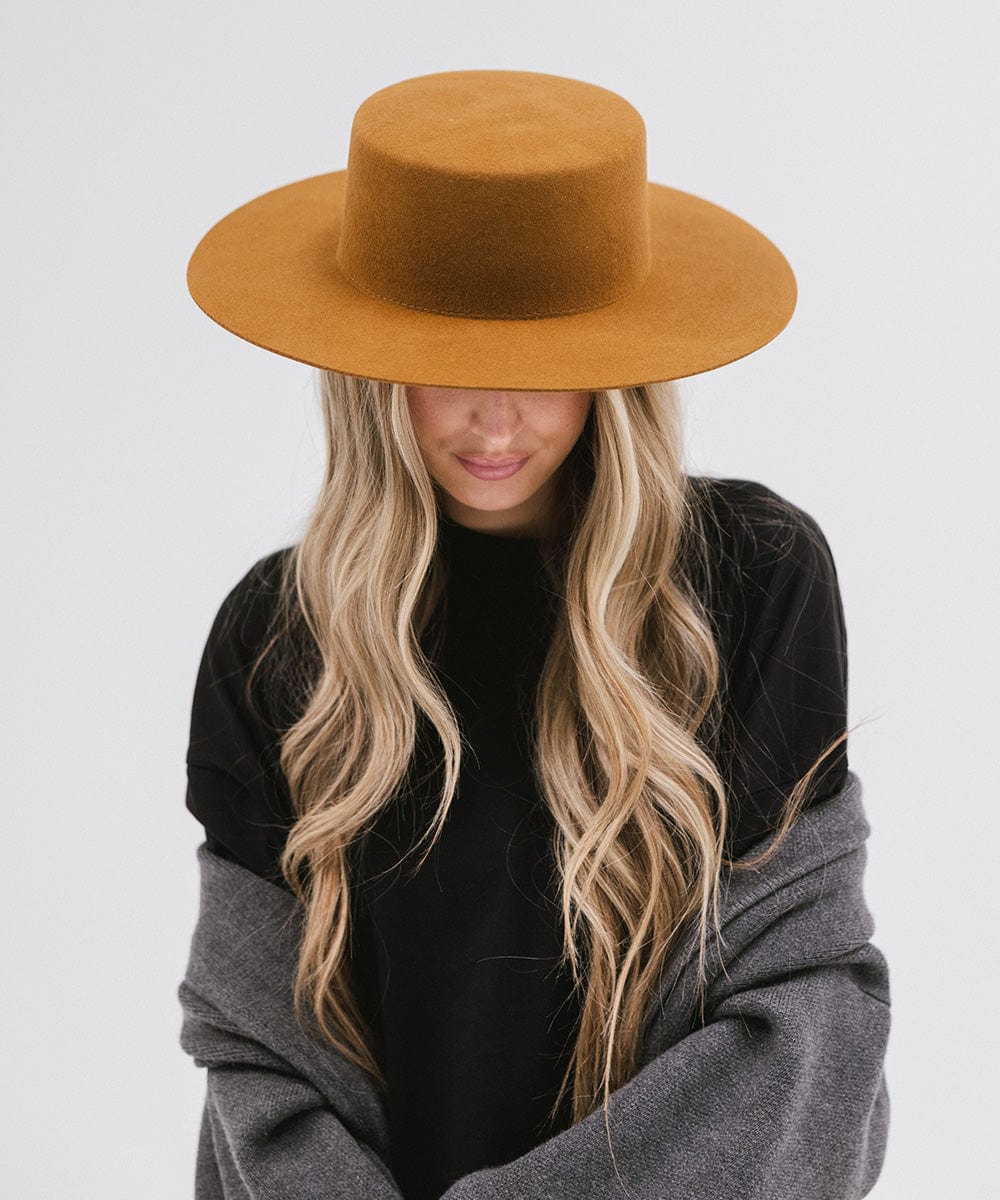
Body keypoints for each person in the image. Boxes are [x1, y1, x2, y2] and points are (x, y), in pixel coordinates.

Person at [179, 70, 887, 1200]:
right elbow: (260, 1061)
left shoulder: (748, 579)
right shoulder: (276, 640)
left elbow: (802, 1018)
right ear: (366, 363)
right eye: (443, 359)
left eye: (546, 367)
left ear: (616, 365)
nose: (495, 418)